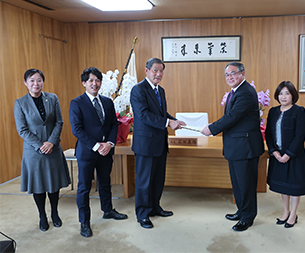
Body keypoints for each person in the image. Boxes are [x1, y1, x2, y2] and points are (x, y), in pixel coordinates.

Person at [201, 62, 264, 232]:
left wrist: (211, 128)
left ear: (242, 74)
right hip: (236, 146)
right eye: (227, 75)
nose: (230, 77)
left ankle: (247, 217)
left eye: (233, 73)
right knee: (238, 183)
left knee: (246, 184)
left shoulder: (246, 92)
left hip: (245, 146)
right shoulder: (235, 91)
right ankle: (242, 211)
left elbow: (232, 116)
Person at [69, 67, 128, 238]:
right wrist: (97, 146)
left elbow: (114, 125)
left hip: (106, 152)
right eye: (91, 80)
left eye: (97, 80)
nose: (94, 84)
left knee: (105, 183)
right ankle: (84, 222)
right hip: (88, 152)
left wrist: (109, 143)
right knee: (84, 187)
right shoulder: (77, 103)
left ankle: (108, 210)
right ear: (84, 83)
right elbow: (77, 130)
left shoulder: (108, 102)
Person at [130, 58, 186, 229]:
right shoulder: (138, 90)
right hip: (145, 144)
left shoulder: (160, 90)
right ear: (146, 70)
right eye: (155, 70)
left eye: (161, 71)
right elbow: (143, 115)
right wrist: (168, 123)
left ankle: (155, 207)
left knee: (158, 179)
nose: (158, 74)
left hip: (160, 143)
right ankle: (142, 215)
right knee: (144, 181)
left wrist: (172, 118)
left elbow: (161, 112)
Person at [14, 68, 71, 232]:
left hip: (53, 148)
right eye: (32, 80)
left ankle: (54, 213)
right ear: (25, 82)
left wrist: (51, 142)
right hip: (34, 152)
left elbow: (59, 122)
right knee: (38, 186)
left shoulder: (52, 98)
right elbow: (22, 129)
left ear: (43, 82)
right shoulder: (20, 103)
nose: (35, 83)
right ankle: (42, 215)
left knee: (54, 184)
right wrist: (40, 145)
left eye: (39, 80)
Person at [265, 81, 305, 228]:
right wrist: (274, 151)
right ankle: (286, 211)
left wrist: (288, 154)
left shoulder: (299, 111)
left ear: (293, 95)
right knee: (283, 186)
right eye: (280, 93)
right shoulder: (273, 111)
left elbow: (300, 136)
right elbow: (268, 134)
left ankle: (293, 213)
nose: (283, 96)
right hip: (278, 154)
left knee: (294, 186)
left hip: (294, 155)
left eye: (287, 93)